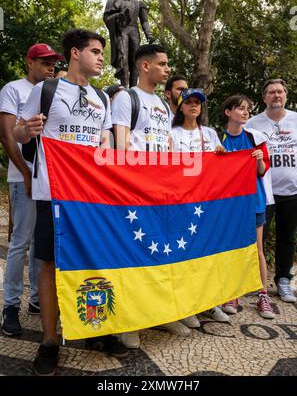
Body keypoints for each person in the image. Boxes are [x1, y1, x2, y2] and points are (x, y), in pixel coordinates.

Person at [13, 28, 128, 376]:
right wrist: (26, 131)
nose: (100, 58)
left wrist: (108, 147)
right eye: (95, 51)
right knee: (49, 265)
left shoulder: (102, 100)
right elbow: (18, 132)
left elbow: (105, 139)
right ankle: (49, 341)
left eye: (102, 53)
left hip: (91, 196)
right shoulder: (46, 90)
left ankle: (97, 328)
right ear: (75, 53)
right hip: (53, 193)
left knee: (95, 260)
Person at [112, 44, 192, 348]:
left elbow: (169, 147)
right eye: (162, 63)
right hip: (136, 193)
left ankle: (160, 312)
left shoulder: (161, 103)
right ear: (145, 67)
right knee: (134, 254)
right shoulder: (125, 99)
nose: (167, 69)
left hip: (162, 193)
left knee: (161, 253)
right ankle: (129, 320)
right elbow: (120, 147)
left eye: (167, 63)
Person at [0, 43, 63, 337]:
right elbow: (8, 134)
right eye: (44, 62)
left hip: (48, 183)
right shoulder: (14, 89)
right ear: (29, 62)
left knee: (42, 244)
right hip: (22, 176)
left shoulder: (55, 90)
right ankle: (10, 306)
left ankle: (38, 300)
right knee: (20, 242)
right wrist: (25, 172)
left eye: (53, 63)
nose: (50, 67)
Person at [171, 88, 231, 324]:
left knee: (206, 254)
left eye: (198, 103)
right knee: (184, 254)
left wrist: (221, 154)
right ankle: (185, 307)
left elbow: (220, 168)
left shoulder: (209, 133)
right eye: (189, 102)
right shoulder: (171, 133)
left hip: (205, 204)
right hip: (179, 203)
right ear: (180, 106)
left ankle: (209, 303)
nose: (194, 106)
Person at [220, 95, 275, 319]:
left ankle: (263, 294)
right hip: (228, 205)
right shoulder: (218, 138)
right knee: (231, 248)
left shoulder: (255, 138)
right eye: (240, 108)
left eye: (247, 109)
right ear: (228, 112)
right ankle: (233, 292)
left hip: (254, 201)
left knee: (257, 249)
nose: (245, 112)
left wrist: (260, 159)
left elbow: (262, 171)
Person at [246, 79, 297, 303]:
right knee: (256, 238)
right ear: (264, 97)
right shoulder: (253, 123)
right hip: (263, 193)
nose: (276, 95)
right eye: (271, 92)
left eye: (280, 92)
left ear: (285, 95)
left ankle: (283, 280)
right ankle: (251, 281)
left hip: (292, 190)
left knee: (287, 237)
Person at [103, 0, 155, 88]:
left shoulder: (139, 3)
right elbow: (106, 18)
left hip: (134, 32)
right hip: (122, 31)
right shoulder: (114, 1)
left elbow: (144, 21)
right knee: (123, 59)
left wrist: (149, 34)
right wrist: (117, 17)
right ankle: (124, 87)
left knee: (135, 62)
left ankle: (133, 88)